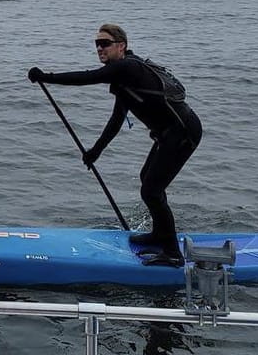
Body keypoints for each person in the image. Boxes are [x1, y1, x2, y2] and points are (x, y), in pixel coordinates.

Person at [27, 23, 201, 266]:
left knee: (151, 190)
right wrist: (95, 151)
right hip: (168, 134)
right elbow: (117, 120)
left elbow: (88, 77)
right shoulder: (123, 79)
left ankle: (172, 253)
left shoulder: (128, 67)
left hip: (183, 132)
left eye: (105, 43)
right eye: (97, 44)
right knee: (148, 181)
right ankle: (160, 235)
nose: (100, 48)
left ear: (122, 46)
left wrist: (46, 77)